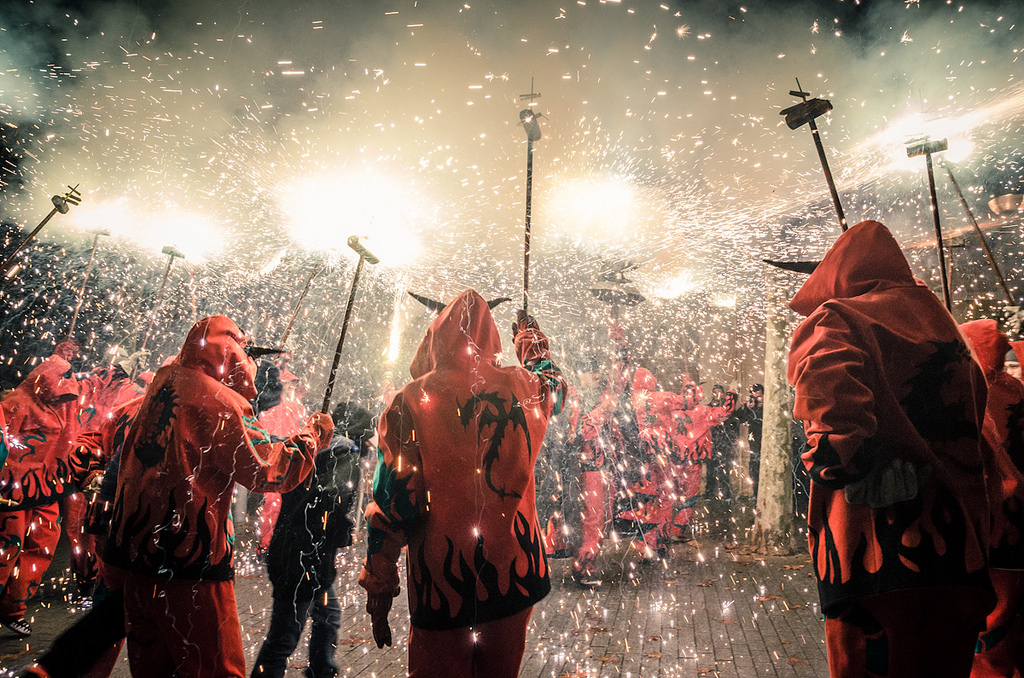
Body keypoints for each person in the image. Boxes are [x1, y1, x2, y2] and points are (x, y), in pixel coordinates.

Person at [785, 220, 994, 677]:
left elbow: (833, 414)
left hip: (877, 553)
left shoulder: (838, 318)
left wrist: (833, 464)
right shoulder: (949, 333)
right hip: (961, 550)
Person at [104, 315, 333, 678]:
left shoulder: (162, 385)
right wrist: (312, 437)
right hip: (192, 564)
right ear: (230, 351)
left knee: (152, 669)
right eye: (246, 351)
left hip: (137, 559)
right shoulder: (220, 401)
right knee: (216, 669)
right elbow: (267, 470)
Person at [359, 291, 566, 678]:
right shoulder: (521, 385)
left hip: (443, 587)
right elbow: (553, 386)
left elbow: (396, 503)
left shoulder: (410, 401)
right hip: (515, 576)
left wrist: (380, 581)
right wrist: (532, 346)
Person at [250, 401, 373, 678]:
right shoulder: (345, 455)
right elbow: (331, 503)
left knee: (328, 616)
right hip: (305, 560)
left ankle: (322, 668)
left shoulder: (309, 445)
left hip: (294, 552)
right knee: (284, 637)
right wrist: (344, 531)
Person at [0, 341, 83, 636]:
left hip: (45, 486)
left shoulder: (65, 403)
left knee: (44, 541)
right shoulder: (16, 402)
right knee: (7, 547)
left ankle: (14, 607)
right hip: (12, 488)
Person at [958, 320, 1024, 676]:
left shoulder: (969, 393)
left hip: (990, 524)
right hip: (1018, 523)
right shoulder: (1015, 389)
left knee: (988, 627)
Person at [732, 383, 763, 499]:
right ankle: (756, 498)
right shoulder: (750, 409)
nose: (756, 399)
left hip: (767, 449)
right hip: (754, 448)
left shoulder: (768, 409)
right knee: (754, 472)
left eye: (759, 396)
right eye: (754, 396)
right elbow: (736, 420)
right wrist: (744, 408)